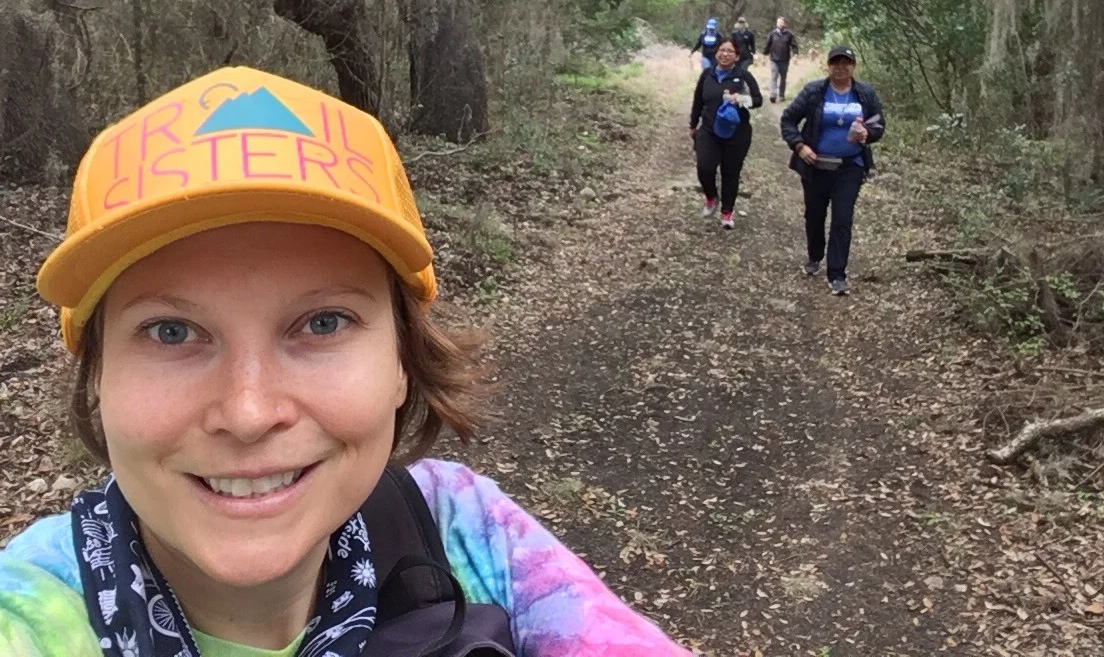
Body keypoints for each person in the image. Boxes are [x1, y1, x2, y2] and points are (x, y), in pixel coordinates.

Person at [0, 66, 690, 657]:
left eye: (322, 323)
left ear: (401, 360)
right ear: (95, 377)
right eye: (172, 332)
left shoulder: (460, 530)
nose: (248, 413)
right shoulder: (30, 616)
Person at [780, 46, 885, 295]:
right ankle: (815, 255)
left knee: (842, 218)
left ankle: (837, 274)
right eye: (835, 62)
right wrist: (800, 146)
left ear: (853, 66)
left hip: (850, 167)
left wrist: (867, 134)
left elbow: (880, 124)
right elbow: (788, 119)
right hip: (816, 165)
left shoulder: (865, 94)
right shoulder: (814, 91)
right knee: (814, 215)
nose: (841, 67)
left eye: (846, 62)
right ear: (828, 66)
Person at [689, 39, 764, 229]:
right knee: (705, 167)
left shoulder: (744, 76)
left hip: (737, 133)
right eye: (722, 50)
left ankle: (727, 213)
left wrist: (740, 99)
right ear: (716, 54)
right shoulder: (708, 74)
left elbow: (757, 100)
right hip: (708, 130)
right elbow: (698, 100)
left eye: (730, 51)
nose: (725, 54)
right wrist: (692, 124)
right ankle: (711, 196)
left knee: (731, 173)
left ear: (737, 56)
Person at [762, 16, 799, 103]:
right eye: (778, 22)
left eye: (782, 22)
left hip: (785, 59)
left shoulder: (789, 34)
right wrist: (764, 56)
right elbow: (767, 45)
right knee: (774, 77)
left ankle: (781, 95)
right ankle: (773, 95)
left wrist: (796, 55)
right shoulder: (772, 34)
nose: (780, 24)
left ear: (785, 24)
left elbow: (794, 45)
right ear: (776, 24)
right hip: (774, 59)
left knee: (783, 78)